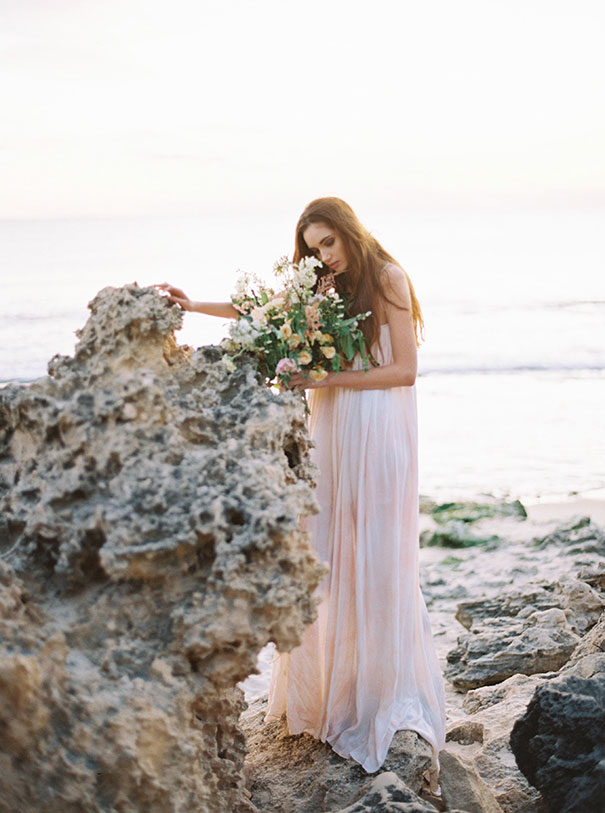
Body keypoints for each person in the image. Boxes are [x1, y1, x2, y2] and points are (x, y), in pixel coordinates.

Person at [155, 196, 447, 794]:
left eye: (329, 243)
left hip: (378, 427)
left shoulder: (388, 276)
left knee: (378, 559)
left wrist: (322, 377)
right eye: (314, 248)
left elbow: (405, 370)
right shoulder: (321, 283)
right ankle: (331, 696)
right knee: (327, 556)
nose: (323, 256)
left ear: (349, 233)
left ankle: (384, 696)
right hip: (332, 429)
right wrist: (193, 306)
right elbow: (261, 312)